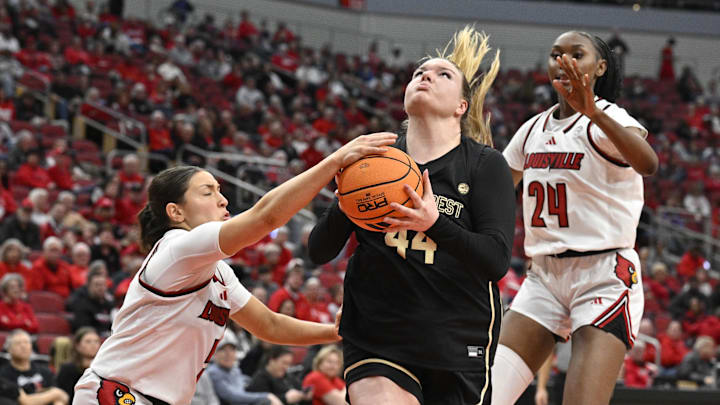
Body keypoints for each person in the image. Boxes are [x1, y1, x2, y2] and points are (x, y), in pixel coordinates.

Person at [73, 131, 396, 405]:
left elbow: (270, 325)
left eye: (220, 190)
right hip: (116, 392)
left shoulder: (218, 272)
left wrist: (337, 332)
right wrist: (335, 160)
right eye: (208, 192)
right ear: (176, 212)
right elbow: (265, 218)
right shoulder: (176, 249)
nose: (223, 199)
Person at [309, 27, 515, 405]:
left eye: (443, 74)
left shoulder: (485, 165)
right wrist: (345, 201)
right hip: (377, 335)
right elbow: (318, 251)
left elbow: (496, 261)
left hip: (456, 339)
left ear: (461, 106)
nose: (426, 76)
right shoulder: (371, 161)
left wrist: (434, 224)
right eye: (419, 72)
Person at [492, 31, 658, 405]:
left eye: (575, 54)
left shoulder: (609, 118)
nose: (563, 61)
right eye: (555, 54)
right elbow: (496, 191)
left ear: (599, 67)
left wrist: (593, 112)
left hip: (604, 275)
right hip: (544, 277)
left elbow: (648, 163)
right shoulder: (533, 128)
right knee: (485, 395)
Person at [207, 336, 282, 405]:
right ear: (215, 354)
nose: (228, 354)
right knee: (266, 401)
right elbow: (233, 397)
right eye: (223, 350)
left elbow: (245, 381)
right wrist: (265, 396)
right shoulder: (213, 372)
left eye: (232, 350)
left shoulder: (234, 370)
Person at [0, 330, 69, 404]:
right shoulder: (3, 374)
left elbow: (63, 396)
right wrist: (54, 394)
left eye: (26, 342)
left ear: (31, 346)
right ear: (9, 349)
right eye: (18, 343)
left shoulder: (45, 371)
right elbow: (23, 401)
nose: (23, 346)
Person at [247, 345, 311, 404]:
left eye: (289, 364)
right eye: (284, 363)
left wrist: (304, 395)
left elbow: (300, 388)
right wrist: (285, 399)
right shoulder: (260, 379)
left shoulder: (287, 376)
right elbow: (260, 401)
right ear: (272, 360)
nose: (286, 367)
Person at [57, 328, 101, 402]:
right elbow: (64, 397)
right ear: (77, 345)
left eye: (96, 341)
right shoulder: (67, 368)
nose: (93, 345)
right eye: (88, 341)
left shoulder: (104, 368)